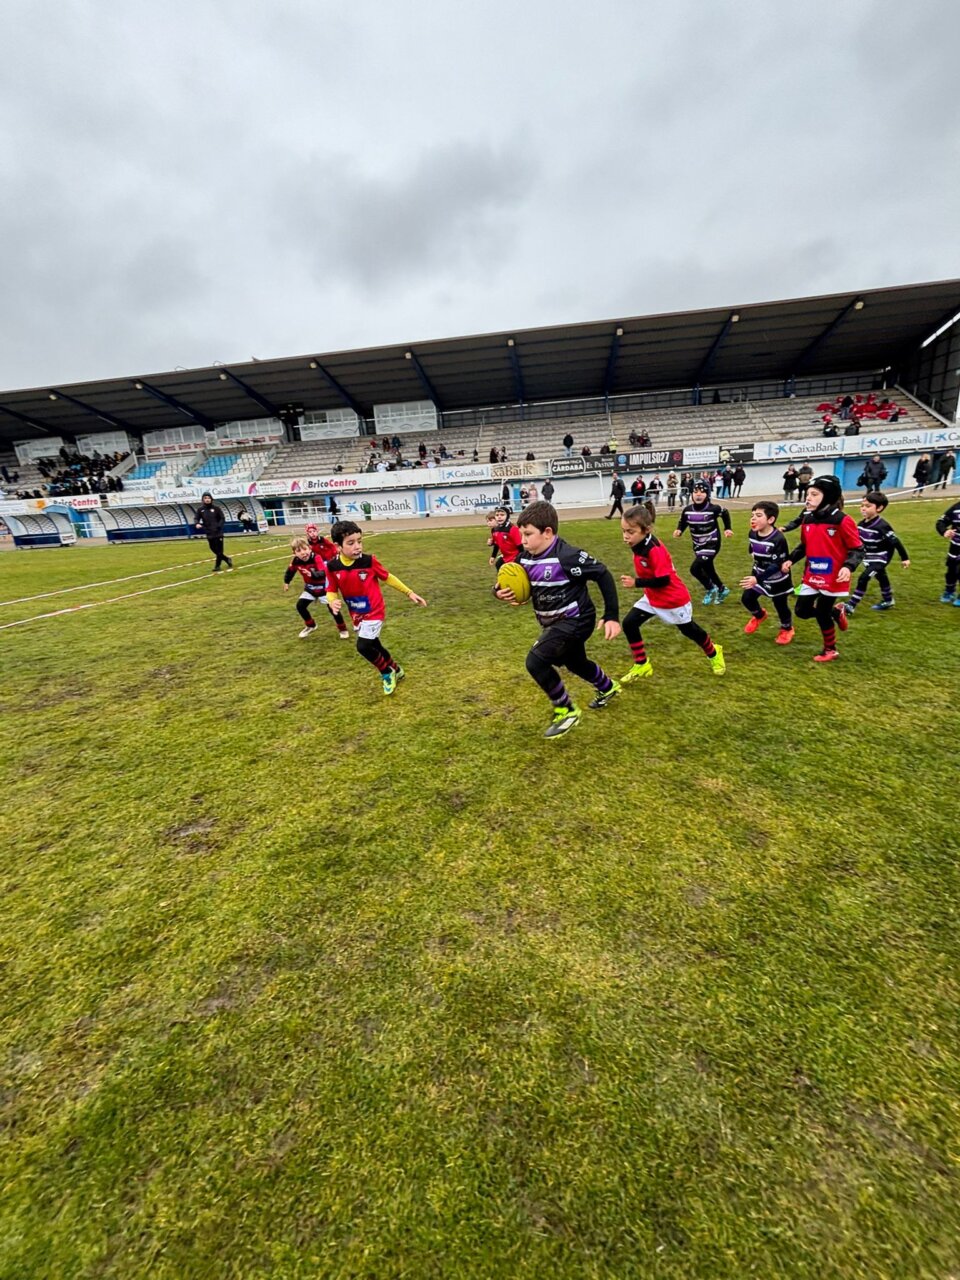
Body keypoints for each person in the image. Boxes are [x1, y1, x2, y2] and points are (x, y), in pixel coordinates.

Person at [494, 500, 621, 739]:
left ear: (548, 533)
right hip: (553, 622)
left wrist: (612, 615)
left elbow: (602, 573)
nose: (522, 540)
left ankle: (566, 710)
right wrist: (498, 592)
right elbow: (505, 581)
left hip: (576, 619)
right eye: (522, 534)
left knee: (536, 661)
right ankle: (608, 686)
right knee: (574, 662)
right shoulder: (524, 559)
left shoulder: (568, 556)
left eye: (528, 534)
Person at [617, 502, 725, 683]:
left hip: (672, 598)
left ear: (646, 530)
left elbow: (664, 580)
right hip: (653, 596)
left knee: (689, 630)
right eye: (624, 531)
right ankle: (642, 663)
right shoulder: (640, 543)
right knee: (629, 623)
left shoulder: (654, 550)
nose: (625, 536)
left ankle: (714, 652)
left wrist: (636, 582)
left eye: (630, 532)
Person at [324, 521, 427, 695]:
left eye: (359, 541)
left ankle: (386, 672)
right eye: (351, 543)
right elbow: (330, 590)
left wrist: (409, 592)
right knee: (375, 645)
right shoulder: (332, 567)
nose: (357, 546)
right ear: (337, 546)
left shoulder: (369, 561)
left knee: (363, 646)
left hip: (374, 611)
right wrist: (332, 601)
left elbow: (388, 577)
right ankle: (397, 669)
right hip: (357, 614)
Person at [781, 475, 863, 663]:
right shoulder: (808, 519)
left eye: (814, 494)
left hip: (834, 575)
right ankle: (836, 612)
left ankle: (830, 649)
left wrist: (848, 567)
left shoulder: (842, 520)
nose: (808, 498)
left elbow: (857, 548)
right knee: (801, 611)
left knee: (822, 613)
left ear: (827, 497)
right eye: (808, 494)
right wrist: (790, 560)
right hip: (812, 573)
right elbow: (804, 546)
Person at [842, 491, 910, 615]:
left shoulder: (882, 526)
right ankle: (888, 600)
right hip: (869, 556)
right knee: (881, 576)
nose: (863, 509)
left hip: (881, 558)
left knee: (864, 578)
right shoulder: (862, 524)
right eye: (862, 505)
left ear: (879, 508)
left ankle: (851, 605)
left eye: (868, 506)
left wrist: (904, 558)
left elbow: (896, 542)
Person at [739, 501, 795, 644]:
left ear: (770, 520)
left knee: (780, 604)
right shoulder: (752, 533)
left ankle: (787, 628)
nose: (753, 519)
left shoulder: (778, 539)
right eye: (752, 515)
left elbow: (776, 565)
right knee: (747, 598)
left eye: (758, 515)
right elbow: (752, 547)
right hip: (759, 572)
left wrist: (757, 579)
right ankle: (759, 615)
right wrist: (752, 553)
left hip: (777, 578)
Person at [673, 480, 733, 605]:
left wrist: (727, 528)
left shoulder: (713, 509)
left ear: (707, 494)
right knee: (708, 569)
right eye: (695, 492)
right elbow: (684, 521)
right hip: (697, 544)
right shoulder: (687, 510)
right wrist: (679, 530)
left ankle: (710, 588)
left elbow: (725, 513)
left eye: (702, 492)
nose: (698, 494)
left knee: (695, 569)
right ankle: (722, 589)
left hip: (712, 543)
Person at [283, 537, 350, 640]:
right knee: (300, 606)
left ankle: (343, 629)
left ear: (310, 548)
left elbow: (323, 572)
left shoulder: (316, 558)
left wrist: (312, 574)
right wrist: (286, 582)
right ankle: (311, 625)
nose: (303, 553)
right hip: (310, 589)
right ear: (294, 553)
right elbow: (290, 571)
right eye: (299, 551)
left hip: (323, 588)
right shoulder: (295, 561)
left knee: (333, 609)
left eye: (305, 549)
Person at [194, 492, 232, 572]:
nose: (207, 500)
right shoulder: (201, 510)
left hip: (218, 532)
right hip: (209, 532)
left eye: (208, 498)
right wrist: (197, 523)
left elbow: (222, 518)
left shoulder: (216, 509)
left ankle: (217, 566)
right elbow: (196, 518)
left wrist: (219, 526)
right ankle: (227, 559)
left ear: (211, 499)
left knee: (219, 550)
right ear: (203, 500)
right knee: (213, 549)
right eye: (205, 498)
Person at [935, 497, 960, 604]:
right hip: (955, 546)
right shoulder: (956, 508)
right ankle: (949, 591)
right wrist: (944, 531)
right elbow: (941, 521)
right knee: (951, 570)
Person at [486, 507, 523, 571]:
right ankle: (501, 580)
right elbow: (496, 544)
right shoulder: (495, 530)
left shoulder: (513, 529)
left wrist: (521, 559)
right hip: (505, 557)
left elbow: (520, 546)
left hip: (515, 557)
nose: (499, 517)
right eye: (497, 515)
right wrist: (493, 556)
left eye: (502, 515)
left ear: (507, 516)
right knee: (498, 564)